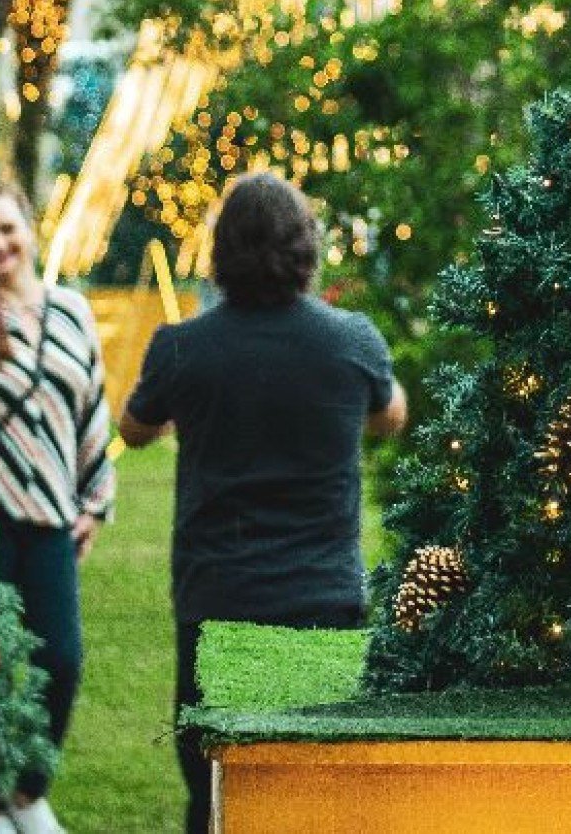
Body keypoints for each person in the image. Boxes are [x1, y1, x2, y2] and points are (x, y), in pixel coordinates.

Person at [120, 172, 407, 834]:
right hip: (322, 600)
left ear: (222, 251)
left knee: (218, 790)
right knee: (316, 794)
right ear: (305, 246)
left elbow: (134, 431)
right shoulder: (351, 340)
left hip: (216, 601)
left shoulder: (182, 348)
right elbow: (390, 417)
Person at [0, 181, 115, 834]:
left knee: (60, 661)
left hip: (53, 523)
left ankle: (30, 794)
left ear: (29, 230)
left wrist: (94, 502)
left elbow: (92, 409)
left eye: (6, 229)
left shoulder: (72, 313)